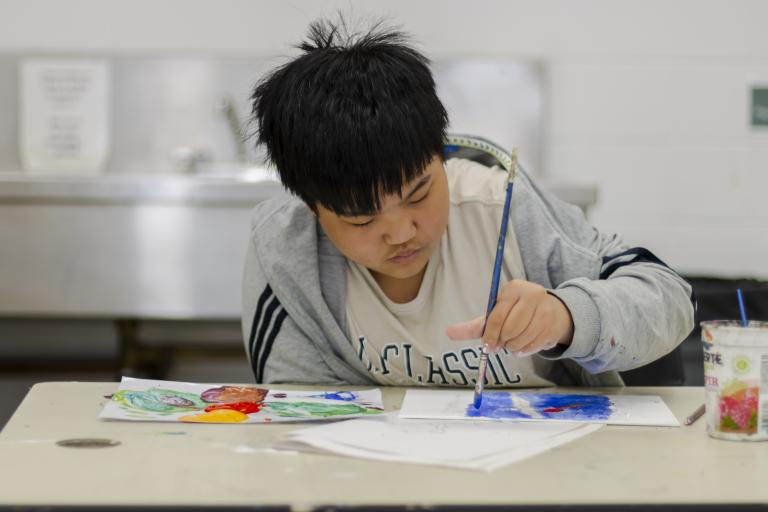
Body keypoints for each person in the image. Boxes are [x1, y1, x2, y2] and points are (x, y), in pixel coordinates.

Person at [241, 17, 694, 387]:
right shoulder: (285, 251)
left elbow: (669, 300)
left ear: (442, 155)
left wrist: (568, 317)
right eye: (361, 219)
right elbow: (298, 411)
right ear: (312, 208)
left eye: (419, 194)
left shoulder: (499, 205)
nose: (401, 232)